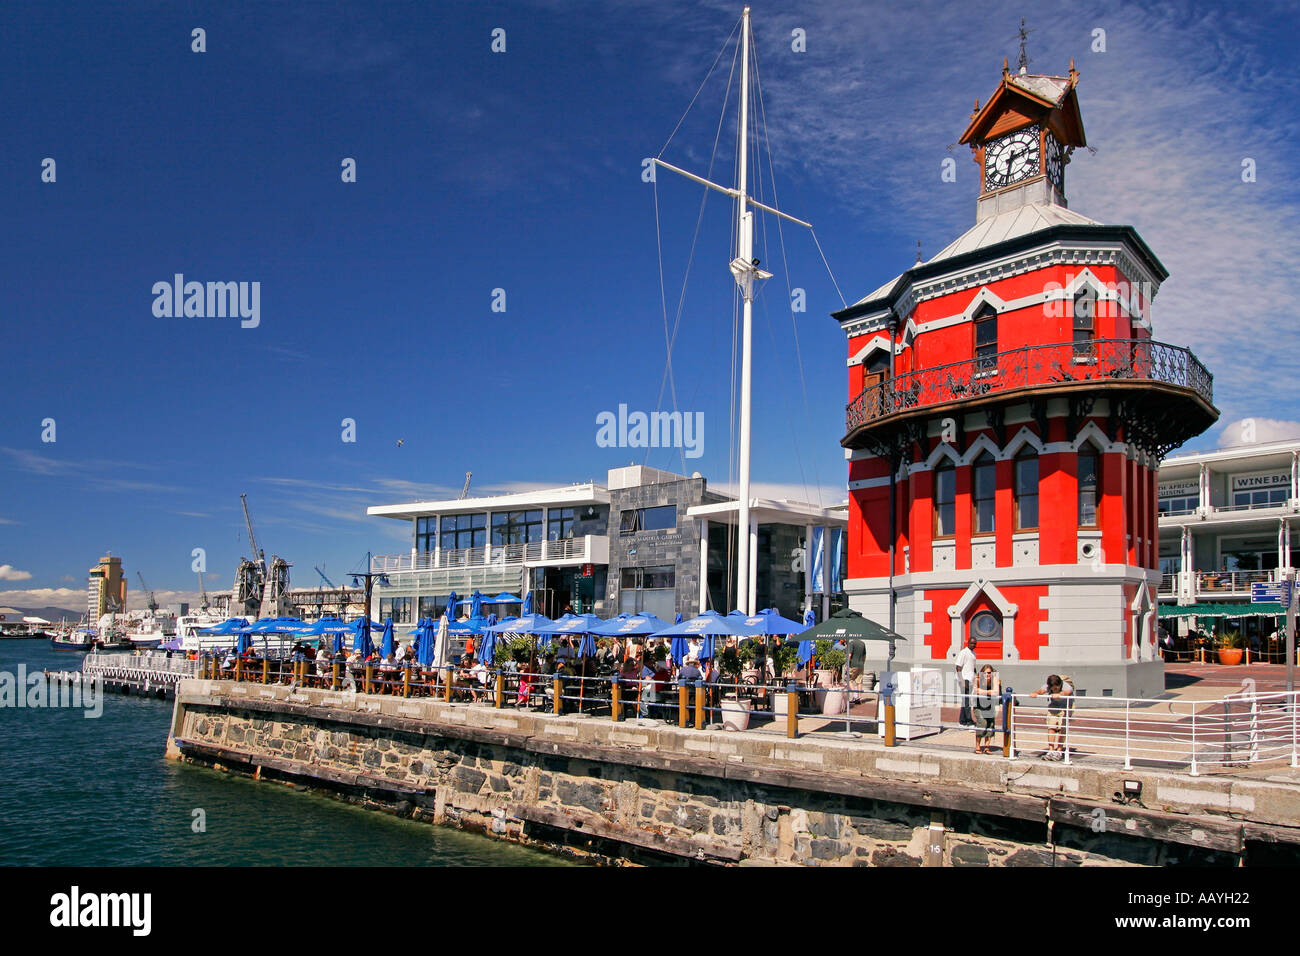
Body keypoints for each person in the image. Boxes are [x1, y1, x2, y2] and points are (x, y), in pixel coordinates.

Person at [1030, 674, 1074, 760]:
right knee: (1051, 727)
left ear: (1060, 684)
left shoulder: (1066, 686)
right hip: (1054, 705)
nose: (1054, 690)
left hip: (1066, 706)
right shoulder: (1048, 685)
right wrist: (1035, 693)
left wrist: (1060, 694)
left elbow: (1067, 692)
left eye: (1056, 688)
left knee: (1062, 728)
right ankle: (1051, 750)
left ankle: (1059, 750)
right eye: (1053, 689)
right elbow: (1041, 690)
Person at [972, 664, 1001, 754]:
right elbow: (976, 692)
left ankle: (987, 747)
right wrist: (989, 692)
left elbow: (996, 692)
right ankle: (977, 746)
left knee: (990, 724)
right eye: (985, 673)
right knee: (982, 723)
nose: (987, 675)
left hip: (990, 705)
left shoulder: (995, 680)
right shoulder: (977, 680)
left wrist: (983, 692)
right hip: (979, 705)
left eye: (989, 673)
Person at [954, 636, 977, 727]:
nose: (973, 645)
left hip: (970, 679)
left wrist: (975, 678)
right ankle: (969, 721)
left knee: (966, 701)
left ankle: (962, 721)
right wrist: (962, 681)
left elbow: (973, 667)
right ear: (968, 643)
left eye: (975, 643)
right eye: (972, 643)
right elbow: (958, 667)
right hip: (964, 679)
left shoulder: (974, 653)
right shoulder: (963, 652)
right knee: (967, 701)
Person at [847, 638, 867, 702]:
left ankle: (854, 694)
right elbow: (864, 656)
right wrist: (862, 663)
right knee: (859, 682)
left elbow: (850, 655)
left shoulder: (851, 643)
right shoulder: (862, 643)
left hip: (853, 665)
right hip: (861, 665)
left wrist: (847, 664)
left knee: (849, 680)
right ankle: (859, 697)